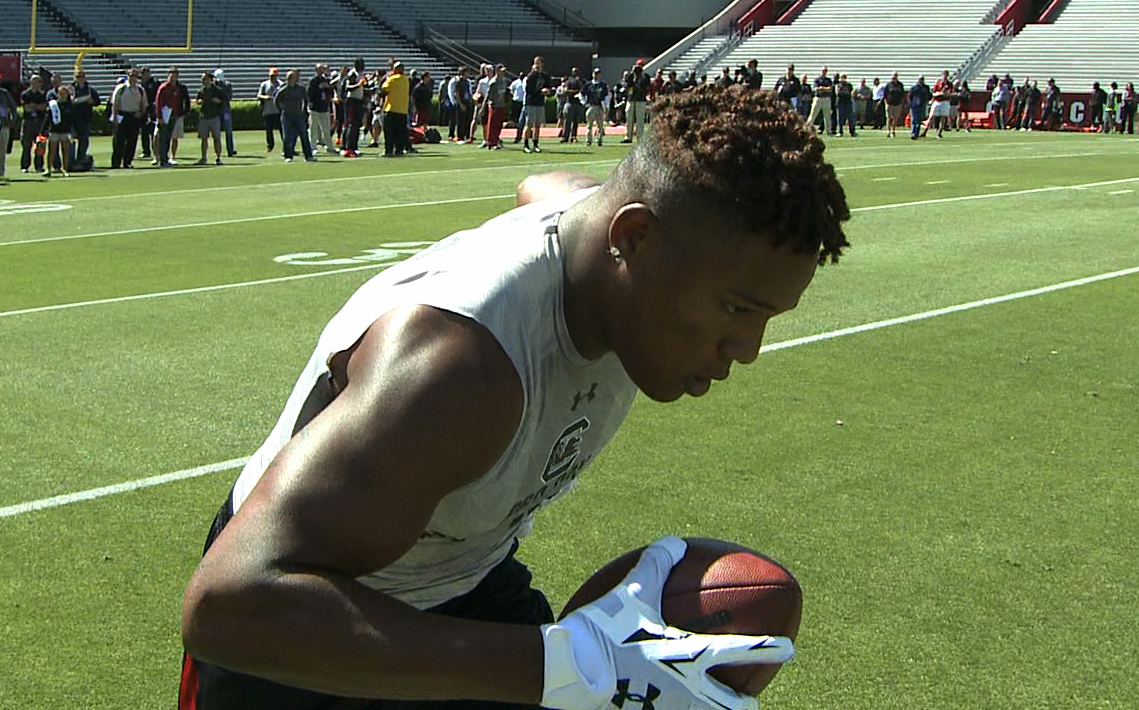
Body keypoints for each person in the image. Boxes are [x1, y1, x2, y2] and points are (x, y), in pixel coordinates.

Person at [178, 83, 850, 710]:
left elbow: (550, 184)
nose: (748, 348)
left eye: (767, 319)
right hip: (306, 617)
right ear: (634, 239)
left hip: (464, 571)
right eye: (735, 308)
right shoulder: (457, 369)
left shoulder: (615, 236)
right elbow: (229, 606)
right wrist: (560, 664)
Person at [110, 68, 147, 169]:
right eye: (131, 76)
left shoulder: (140, 89)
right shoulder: (121, 88)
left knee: (132, 141)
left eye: (135, 76)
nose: (133, 78)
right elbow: (115, 103)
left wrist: (141, 113)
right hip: (122, 115)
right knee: (119, 141)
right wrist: (115, 117)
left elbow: (144, 104)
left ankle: (128, 162)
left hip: (134, 116)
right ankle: (116, 163)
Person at [276, 68, 315, 162]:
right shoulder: (283, 90)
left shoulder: (300, 89)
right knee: (287, 136)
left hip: (298, 115)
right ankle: (288, 155)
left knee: (304, 135)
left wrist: (304, 111)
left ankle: (308, 155)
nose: (290, 79)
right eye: (289, 77)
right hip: (287, 116)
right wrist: (281, 110)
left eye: (292, 77)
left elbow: (306, 99)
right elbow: (276, 100)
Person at [41, 84, 75, 178]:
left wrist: (73, 132)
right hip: (54, 130)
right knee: (51, 151)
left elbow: (73, 119)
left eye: (64, 93)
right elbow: (48, 118)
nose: (63, 95)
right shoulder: (53, 105)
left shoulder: (70, 105)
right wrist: (43, 131)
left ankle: (65, 169)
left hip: (65, 131)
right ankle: (48, 169)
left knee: (65, 151)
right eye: (61, 93)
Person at [380, 61, 410, 157]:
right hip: (403, 110)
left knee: (389, 132)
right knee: (400, 132)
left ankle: (389, 150)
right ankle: (399, 150)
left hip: (391, 109)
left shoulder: (392, 79)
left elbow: (383, 89)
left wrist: (386, 78)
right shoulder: (406, 80)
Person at [71, 69, 100, 166]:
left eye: (82, 76)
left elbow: (97, 101)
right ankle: (70, 159)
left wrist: (92, 101)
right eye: (78, 77)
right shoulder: (71, 89)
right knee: (71, 140)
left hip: (85, 118)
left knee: (84, 140)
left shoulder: (90, 89)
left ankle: (81, 158)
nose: (80, 79)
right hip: (73, 118)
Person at [521, 56, 549, 154]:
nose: (536, 65)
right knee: (529, 124)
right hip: (531, 103)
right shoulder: (531, 76)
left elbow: (548, 87)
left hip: (540, 103)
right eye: (535, 63)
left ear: (542, 63)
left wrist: (548, 91)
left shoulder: (545, 76)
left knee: (538, 125)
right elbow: (529, 90)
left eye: (538, 62)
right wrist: (541, 92)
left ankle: (535, 144)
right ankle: (525, 144)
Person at [197, 71, 225, 165]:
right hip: (204, 116)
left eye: (205, 78)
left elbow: (224, 101)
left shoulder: (217, 90)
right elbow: (198, 100)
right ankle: (204, 157)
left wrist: (218, 101)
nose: (203, 81)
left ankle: (218, 157)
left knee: (216, 138)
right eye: (202, 79)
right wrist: (199, 101)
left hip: (214, 117)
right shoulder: (201, 91)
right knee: (204, 139)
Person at [257, 68, 283, 153]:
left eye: (274, 76)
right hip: (267, 111)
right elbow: (259, 95)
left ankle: (287, 145)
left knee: (282, 129)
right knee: (268, 130)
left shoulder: (280, 84)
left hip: (278, 110)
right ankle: (270, 145)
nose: (272, 77)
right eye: (271, 76)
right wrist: (266, 97)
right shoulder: (264, 84)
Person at [214, 69, 237, 157]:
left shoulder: (227, 85)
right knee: (216, 131)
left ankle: (230, 149)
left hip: (225, 110)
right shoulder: (213, 85)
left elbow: (229, 97)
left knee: (228, 130)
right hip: (216, 111)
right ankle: (218, 149)